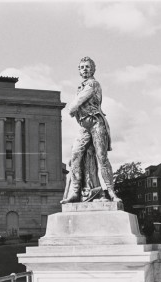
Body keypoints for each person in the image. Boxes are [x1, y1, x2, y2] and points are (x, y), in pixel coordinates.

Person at [61, 56, 120, 204]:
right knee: (75, 154)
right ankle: (75, 191)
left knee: (102, 157)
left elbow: (77, 102)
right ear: (79, 71)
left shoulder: (93, 84)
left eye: (87, 66)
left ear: (93, 69)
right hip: (84, 127)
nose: (85, 69)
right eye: (82, 67)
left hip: (96, 123)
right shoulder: (81, 86)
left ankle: (111, 192)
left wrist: (71, 109)